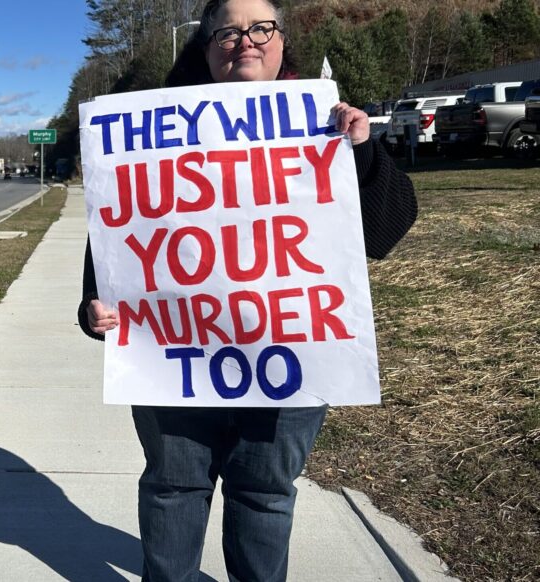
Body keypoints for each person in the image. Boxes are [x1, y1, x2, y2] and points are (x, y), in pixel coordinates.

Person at [76, 1, 418, 580]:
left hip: (287, 354)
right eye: (227, 32)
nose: (245, 42)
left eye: (261, 27)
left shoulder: (324, 122)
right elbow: (120, 235)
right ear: (206, 47)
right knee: (172, 488)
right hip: (176, 357)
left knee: (264, 492)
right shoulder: (150, 133)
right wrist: (94, 305)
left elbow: (386, 230)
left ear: (282, 40)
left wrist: (360, 152)